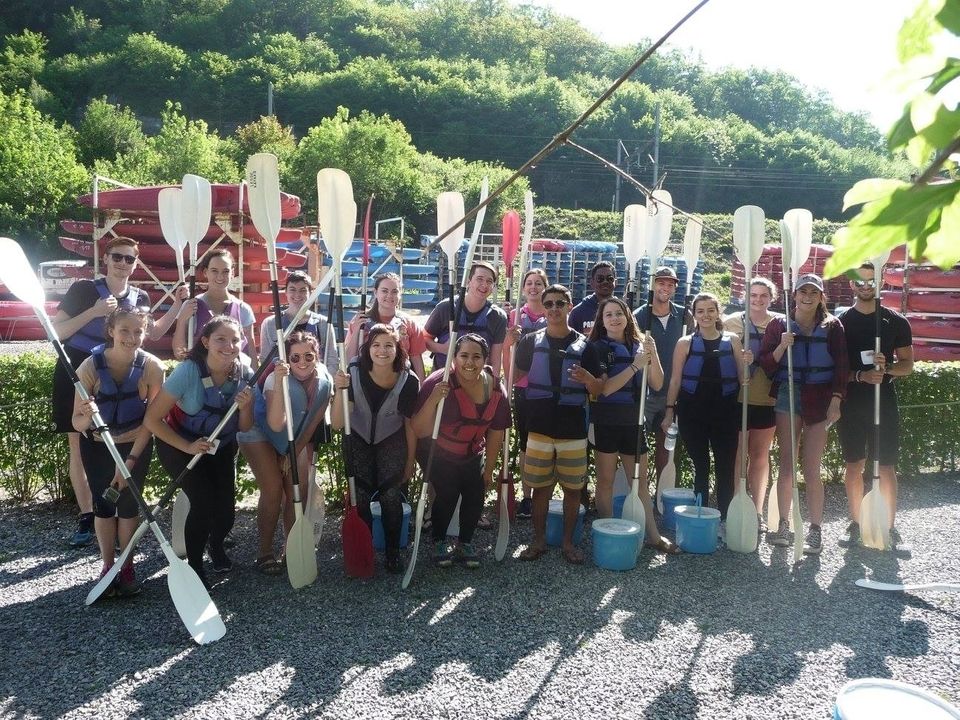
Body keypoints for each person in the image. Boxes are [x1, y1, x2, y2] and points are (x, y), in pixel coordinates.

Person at [52, 236, 184, 548]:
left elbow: (152, 332)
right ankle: (89, 515)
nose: (123, 263)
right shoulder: (84, 290)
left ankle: (116, 509)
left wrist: (179, 306)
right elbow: (57, 331)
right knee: (80, 442)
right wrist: (94, 311)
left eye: (129, 259)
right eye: (117, 257)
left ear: (135, 264)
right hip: (78, 368)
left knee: (123, 438)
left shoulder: (139, 297)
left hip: (123, 372)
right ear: (106, 258)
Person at [144, 316, 255, 588]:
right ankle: (195, 567)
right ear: (205, 341)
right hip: (178, 444)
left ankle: (215, 546)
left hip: (219, 445)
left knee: (226, 511)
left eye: (235, 340)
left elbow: (245, 426)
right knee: (203, 502)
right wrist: (188, 447)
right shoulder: (188, 371)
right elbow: (152, 420)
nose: (229, 346)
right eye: (220, 339)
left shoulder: (245, 372)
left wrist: (246, 407)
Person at [71, 308, 166, 596]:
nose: (131, 337)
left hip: (135, 443)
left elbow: (152, 420)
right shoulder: (89, 367)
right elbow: (76, 423)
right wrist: (88, 414)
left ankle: (126, 565)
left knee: (127, 506)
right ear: (111, 331)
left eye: (138, 331)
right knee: (104, 505)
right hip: (97, 445)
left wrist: (131, 461)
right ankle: (107, 565)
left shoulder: (152, 367)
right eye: (125, 330)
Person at [513, 284, 603, 564]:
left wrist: (588, 379)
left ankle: (568, 543)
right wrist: (507, 346)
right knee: (540, 488)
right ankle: (538, 541)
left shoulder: (586, 347)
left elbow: (598, 389)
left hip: (572, 428)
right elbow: (513, 377)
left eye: (559, 304)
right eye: (549, 304)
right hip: (539, 426)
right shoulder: (530, 342)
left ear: (569, 307)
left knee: (573, 490)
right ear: (543, 308)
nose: (554, 309)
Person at [759, 274, 848, 555]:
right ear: (794, 295)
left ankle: (815, 529)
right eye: (803, 292)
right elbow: (766, 364)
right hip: (789, 392)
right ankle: (783, 525)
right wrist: (782, 345)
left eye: (813, 292)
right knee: (787, 463)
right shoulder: (779, 324)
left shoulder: (833, 326)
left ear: (821, 297)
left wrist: (836, 401)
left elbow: (842, 367)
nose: (807, 297)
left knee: (811, 466)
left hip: (820, 397)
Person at [588, 297, 678, 553]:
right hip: (606, 422)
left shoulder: (640, 345)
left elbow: (657, 384)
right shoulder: (596, 348)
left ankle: (654, 536)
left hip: (633, 423)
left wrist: (653, 353)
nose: (614, 318)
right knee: (605, 481)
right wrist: (635, 365)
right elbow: (605, 389)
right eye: (608, 315)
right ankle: (607, 532)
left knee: (638, 482)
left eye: (619, 313)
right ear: (602, 321)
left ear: (628, 317)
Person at [412, 334, 510, 567]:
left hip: (471, 451)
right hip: (436, 450)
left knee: (476, 493)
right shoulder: (438, 382)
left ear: (485, 360)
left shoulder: (496, 389)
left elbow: (496, 433)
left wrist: (489, 471)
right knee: (448, 492)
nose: (469, 362)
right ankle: (438, 540)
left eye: (476, 357)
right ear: (454, 358)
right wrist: (433, 399)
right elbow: (419, 429)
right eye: (463, 356)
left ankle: (465, 543)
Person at [239, 332, 332, 575]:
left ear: (317, 356)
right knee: (272, 489)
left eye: (308, 356)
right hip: (259, 430)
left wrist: (292, 454)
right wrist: (281, 384)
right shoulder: (275, 378)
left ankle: (290, 548)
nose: (302, 362)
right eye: (295, 357)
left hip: (294, 437)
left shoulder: (325, 380)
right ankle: (264, 551)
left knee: (297, 489)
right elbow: (276, 423)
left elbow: (312, 425)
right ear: (287, 359)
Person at [836, 263, 913, 547]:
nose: (866, 286)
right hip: (852, 404)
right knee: (854, 464)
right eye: (860, 281)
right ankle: (856, 522)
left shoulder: (895, 321)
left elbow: (908, 365)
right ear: (851, 284)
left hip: (884, 402)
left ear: (880, 283)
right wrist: (861, 375)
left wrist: (887, 368)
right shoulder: (840, 323)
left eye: (871, 281)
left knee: (887, 465)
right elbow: (835, 372)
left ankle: (889, 527)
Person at [332, 324, 420, 572]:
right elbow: (337, 423)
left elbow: (410, 425)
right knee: (360, 498)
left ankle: (393, 552)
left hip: (391, 440)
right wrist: (340, 390)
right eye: (376, 345)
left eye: (389, 345)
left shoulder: (408, 380)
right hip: (357, 439)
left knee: (390, 496)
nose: (382, 351)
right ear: (367, 348)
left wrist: (410, 462)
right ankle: (364, 550)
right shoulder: (352, 373)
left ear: (398, 348)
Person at [663, 293, 751, 526]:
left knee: (725, 467)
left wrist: (747, 364)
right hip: (692, 412)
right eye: (700, 311)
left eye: (710, 310)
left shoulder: (733, 340)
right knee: (701, 466)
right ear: (694, 315)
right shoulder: (685, 343)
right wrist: (669, 411)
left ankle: (725, 519)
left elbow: (744, 379)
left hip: (725, 412)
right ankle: (700, 517)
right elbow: (675, 380)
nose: (705, 315)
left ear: (718, 312)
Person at [722, 277, 782, 529]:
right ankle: (738, 506)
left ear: (771, 298)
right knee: (737, 454)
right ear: (745, 296)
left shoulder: (780, 323)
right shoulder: (730, 322)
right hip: (738, 399)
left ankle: (756, 511)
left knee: (759, 456)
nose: (758, 300)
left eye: (763, 295)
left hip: (767, 399)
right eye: (753, 295)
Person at [634, 267, 692, 499]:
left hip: (673, 394)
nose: (665, 288)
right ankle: (640, 495)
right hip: (645, 394)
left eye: (670, 284)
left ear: (675, 288)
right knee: (638, 447)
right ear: (652, 285)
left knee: (666, 448)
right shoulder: (639, 316)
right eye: (661, 283)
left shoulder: (684, 316)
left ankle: (663, 497)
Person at [502, 268, 549, 519]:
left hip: (548, 387)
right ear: (523, 288)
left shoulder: (554, 313)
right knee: (526, 444)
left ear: (545, 287)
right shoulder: (514, 316)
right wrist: (510, 341)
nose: (533, 287)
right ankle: (527, 496)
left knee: (546, 443)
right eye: (529, 283)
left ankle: (544, 493)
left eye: (538, 283)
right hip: (523, 387)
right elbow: (505, 352)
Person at [424, 261, 508, 377]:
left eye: (489, 281)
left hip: (478, 379)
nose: (484, 285)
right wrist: (444, 349)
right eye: (479, 279)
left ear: (493, 286)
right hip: (445, 376)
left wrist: (495, 384)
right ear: (468, 282)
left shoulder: (498, 316)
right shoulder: (446, 307)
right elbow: (424, 340)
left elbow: (496, 359)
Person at [174, 248, 257, 363]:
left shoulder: (243, 309)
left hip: (234, 372)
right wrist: (182, 319)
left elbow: (251, 352)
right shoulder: (191, 306)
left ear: (232, 273)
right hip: (200, 371)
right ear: (205, 272)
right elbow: (178, 353)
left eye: (225, 271)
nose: (220, 276)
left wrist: (255, 375)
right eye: (214, 271)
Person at [345, 273, 427, 381]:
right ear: (375, 292)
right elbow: (349, 359)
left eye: (394, 291)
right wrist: (356, 330)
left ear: (400, 293)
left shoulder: (409, 324)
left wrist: (422, 387)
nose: (389, 296)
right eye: (384, 291)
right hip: (365, 380)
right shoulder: (360, 321)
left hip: (399, 381)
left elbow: (416, 359)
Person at [258, 270, 338, 377]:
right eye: (292, 290)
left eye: (303, 290)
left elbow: (332, 360)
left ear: (310, 293)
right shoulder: (270, 324)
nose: (297, 294)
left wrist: (325, 382)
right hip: (282, 381)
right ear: (286, 292)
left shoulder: (323, 324)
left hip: (315, 380)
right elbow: (265, 360)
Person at [569, 261, 617, 335]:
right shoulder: (578, 312)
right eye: (600, 279)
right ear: (592, 283)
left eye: (609, 278)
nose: (605, 282)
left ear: (615, 282)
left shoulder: (623, 311)